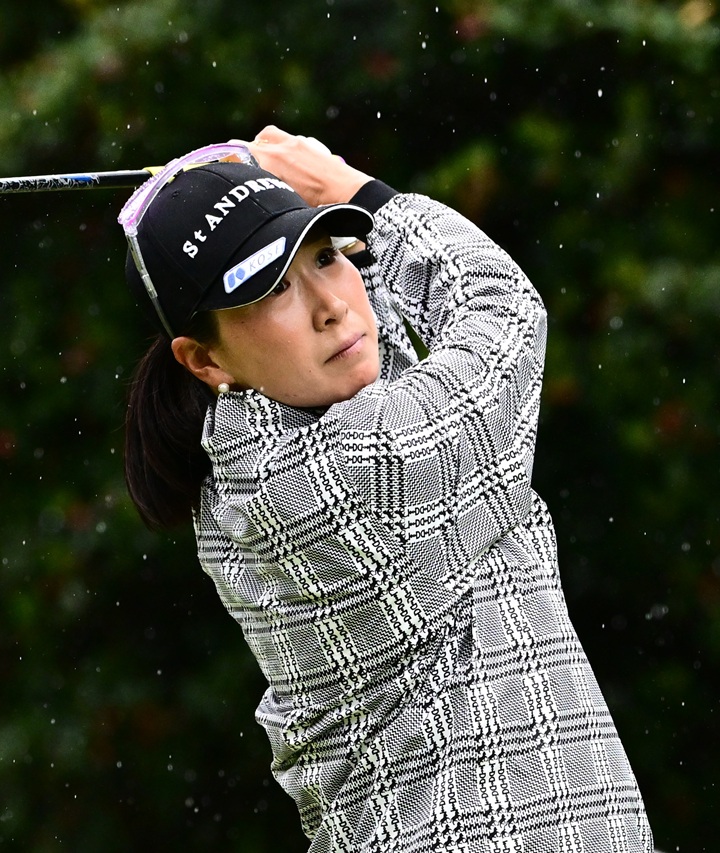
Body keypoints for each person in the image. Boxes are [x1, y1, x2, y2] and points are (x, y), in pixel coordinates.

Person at [119, 126, 654, 852]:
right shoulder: (326, 479)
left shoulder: (279, 425)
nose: (331, 304)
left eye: (326, 255)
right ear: (205, 361)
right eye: (272, 288)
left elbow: (370, 333)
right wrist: (357, 192)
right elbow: (504, 314)